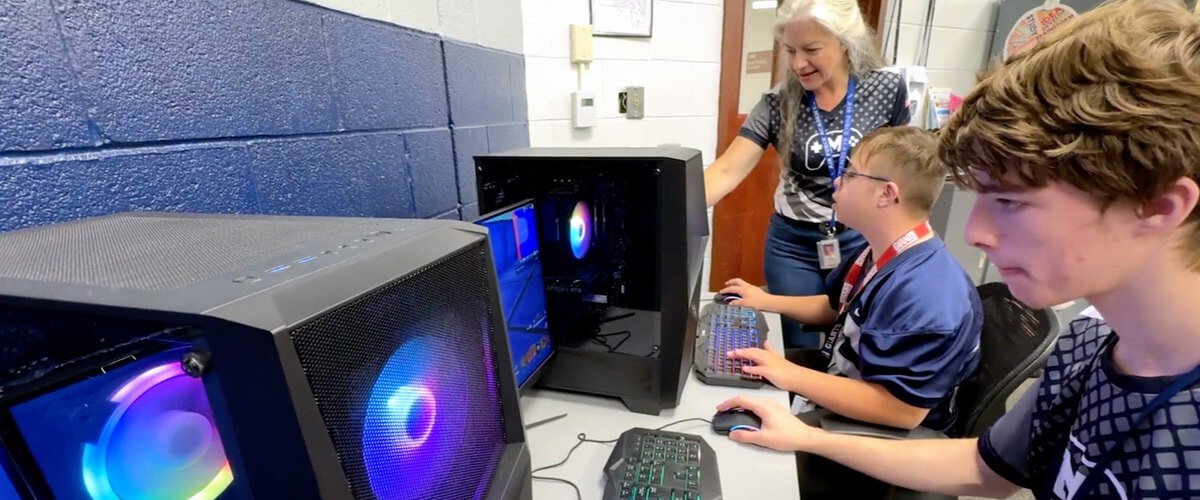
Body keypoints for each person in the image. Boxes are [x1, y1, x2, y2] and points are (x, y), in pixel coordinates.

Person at [716, 1, 1200, 498]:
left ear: (1155, 205)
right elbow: (986, 469)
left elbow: (907, 414)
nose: (973, 233)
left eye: (1010, 200)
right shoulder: (1087, 344)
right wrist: (807, 438)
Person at [720, 126, 982, 498]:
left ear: (886, 194)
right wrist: (764, 301)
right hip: (847, 384)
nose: (837, 182)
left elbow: (902, 411)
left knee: (739, 461)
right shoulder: (880, 249)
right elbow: (836, 307)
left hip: (886, 438)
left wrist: (790, 375)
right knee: (737, 382)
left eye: (852, 173)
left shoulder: (925, 293)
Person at [704, 0, 910, 350]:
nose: (798, 63)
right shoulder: (777, 102)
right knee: (798, 343)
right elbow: (725, 170)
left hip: (862, 237)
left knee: (856, 332)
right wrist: (670, 211)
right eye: (790, 50)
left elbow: (905, 165)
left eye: (811, 50)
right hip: (793, 244)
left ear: (844, 42)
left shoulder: (886, 89)